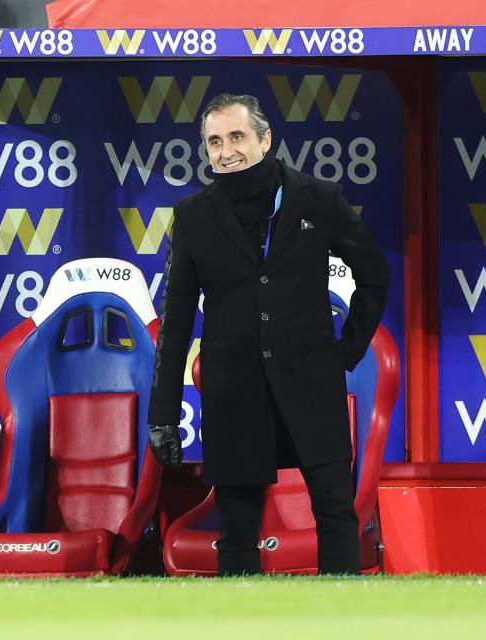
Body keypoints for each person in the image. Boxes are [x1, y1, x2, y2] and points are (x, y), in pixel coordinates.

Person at [148, 94, 389, 576]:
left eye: (236, 137)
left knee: (337, 516)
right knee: (236, 531)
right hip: (234, 391)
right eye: (214, 141)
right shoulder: (192, 216)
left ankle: (340, 623)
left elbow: (375, 274)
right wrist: (163, 414)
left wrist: (345, 350)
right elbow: (175, 323)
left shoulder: (318, 199)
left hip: (311, 384)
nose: (226, 151)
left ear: (265, 140)